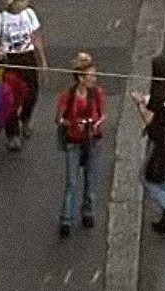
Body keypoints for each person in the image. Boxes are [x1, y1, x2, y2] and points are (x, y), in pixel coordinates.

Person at [0, 0, 47, 150]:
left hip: (27, 57)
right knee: (10, 98)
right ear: (11, 2)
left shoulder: (29, 15)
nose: (25, 1)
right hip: (10, 60)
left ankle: (25, 119)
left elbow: (36, 38)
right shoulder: (0, 20)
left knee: (31, 93)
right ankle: (12, 135)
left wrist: (42, 62)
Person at [131, 56, 165, 234]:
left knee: (147, 177)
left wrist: (139, 103)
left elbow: (149, 119)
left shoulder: (158, 94)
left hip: (158, 141)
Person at [55, 52, 106, 237]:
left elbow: (102, 115)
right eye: (91, 75)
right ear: (80, 77)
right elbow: (59, 118)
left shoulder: (97, 93)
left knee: (91, 182)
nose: (94, 78)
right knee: (72, 182)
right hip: (73, 142)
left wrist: (95, 123)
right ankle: (66, 219)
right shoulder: (67, 96)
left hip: (92, 140)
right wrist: (71, 123)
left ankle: (87, 212)